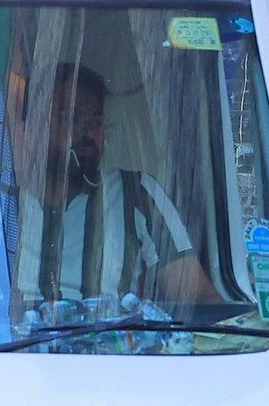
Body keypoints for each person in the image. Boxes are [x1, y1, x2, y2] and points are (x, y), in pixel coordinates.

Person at [13, 61, 216, 307]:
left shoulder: (136, 192)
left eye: (96, 122)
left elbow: (199, 298)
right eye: (73, 118)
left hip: (108, 331)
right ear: (31, 129)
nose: (88, 133)